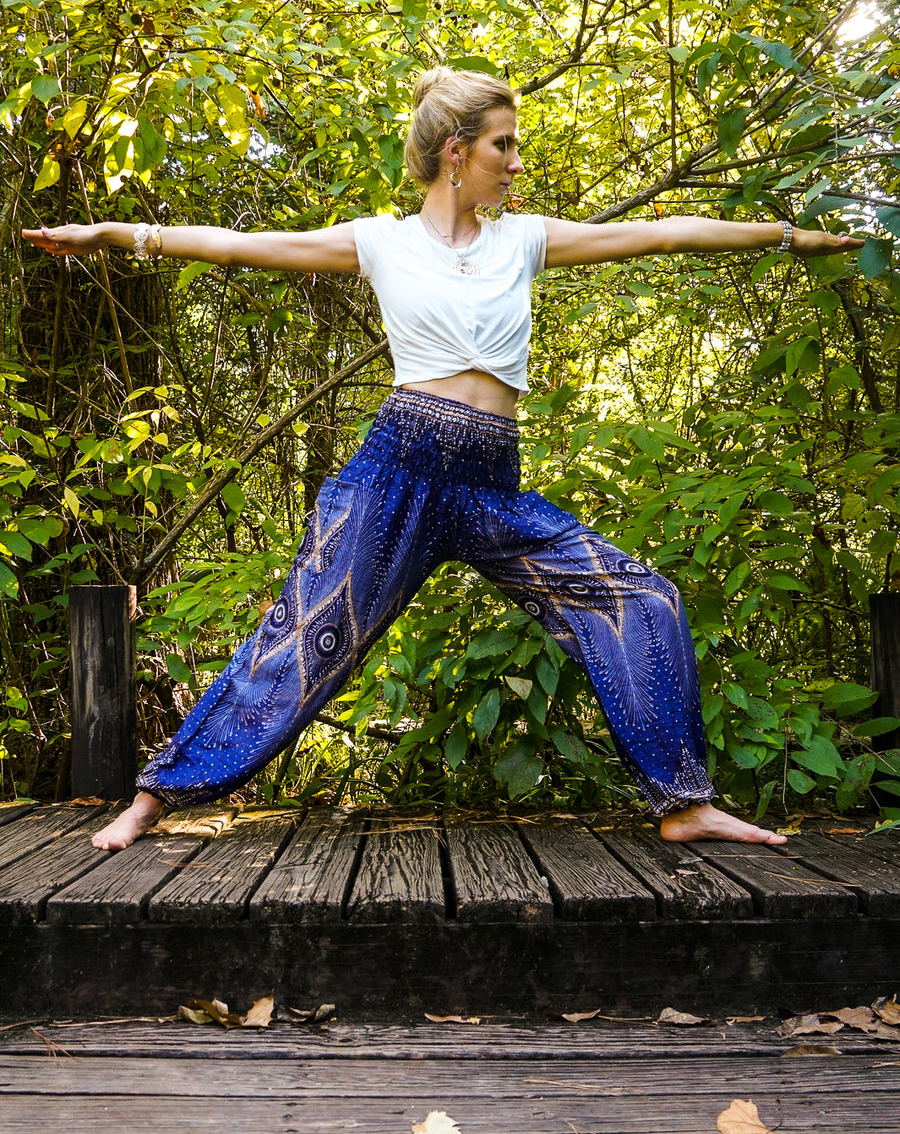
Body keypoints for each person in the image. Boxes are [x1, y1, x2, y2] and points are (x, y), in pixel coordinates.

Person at [25, 67, 862, 852]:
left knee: (642, 599)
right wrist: (116, 235)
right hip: (397, 472)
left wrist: (786, 234)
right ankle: (154, 799)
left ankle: (685, 805)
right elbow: (240, 244)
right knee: (306, 635)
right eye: (504, 143)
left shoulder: (524, 241)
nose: (515, 161)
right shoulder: (381, 242)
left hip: (491, 485)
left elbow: (662, 233)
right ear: (456, 152)